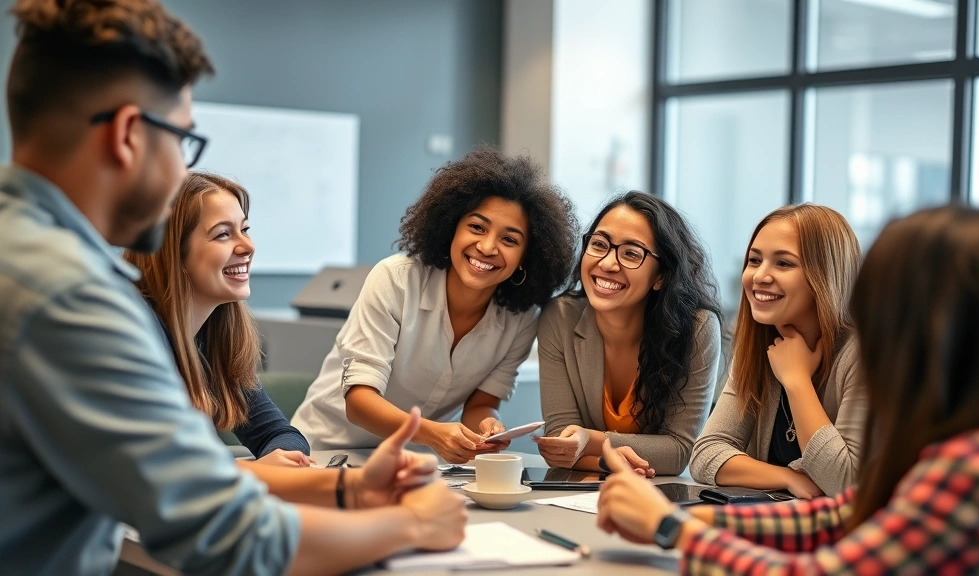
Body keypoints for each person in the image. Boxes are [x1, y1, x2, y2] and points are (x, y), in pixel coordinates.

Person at [0, 1, 465, 574]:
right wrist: (413, 524)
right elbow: (225, 534)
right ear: (128, 136)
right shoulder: (72, 297)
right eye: (181, 141)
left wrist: (350, 490)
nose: (180, 172)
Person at [595, 205, 979, 573]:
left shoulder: (978, 474)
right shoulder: (978, 447)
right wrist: (679, 518)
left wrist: (671, 528)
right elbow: (842, 516)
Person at [292, 146, 578, 463]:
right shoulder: (396, 280)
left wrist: (487, 427)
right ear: (452, 227)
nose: (487, 247)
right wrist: (432, 434)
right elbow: (359, 402)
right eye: (477, 227)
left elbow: (480, 404)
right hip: (323, 453)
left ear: (526, 257)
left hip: (412, 461)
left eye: (509, 239)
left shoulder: (521, 319)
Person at [124, 171, 312, 467]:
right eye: (223, 234)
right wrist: (253, 470)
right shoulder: (135, 332)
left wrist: (279, 461)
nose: (247, 247)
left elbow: (278, 434)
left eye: (245, 229)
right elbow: (151, 464)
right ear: (174, 253)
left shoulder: (215, 336)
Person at [534, 191, 721, 477]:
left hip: (658, 494)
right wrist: (607, 461)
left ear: (660, 276)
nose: (607, 264)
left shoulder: (698, 329)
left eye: (632, 253)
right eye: (599, 244)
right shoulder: (559, 318)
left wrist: (591, 440)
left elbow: (678, 451)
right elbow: (561, 443)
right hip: (587, 487)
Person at [689, 204, 865, 498]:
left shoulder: (865, 355)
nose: (759, 276)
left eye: (783, 263)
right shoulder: (760, 344)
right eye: (754, 260)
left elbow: (845, 482)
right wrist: (788, 477)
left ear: (826, 274)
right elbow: (706, 454)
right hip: (778, 519)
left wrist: (797, 381)